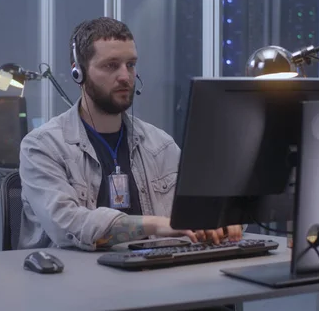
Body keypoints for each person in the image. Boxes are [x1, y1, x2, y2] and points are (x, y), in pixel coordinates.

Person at [18, 17, 244, 251]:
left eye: (131, 64)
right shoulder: (42, 146)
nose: (125, 76)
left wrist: (220, 219)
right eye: (111, 65)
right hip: (70, 281)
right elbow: (67, 226)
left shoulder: (160, 145)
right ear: (79, 73)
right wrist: (156, 225)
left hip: (151, 278)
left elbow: (199, 205)